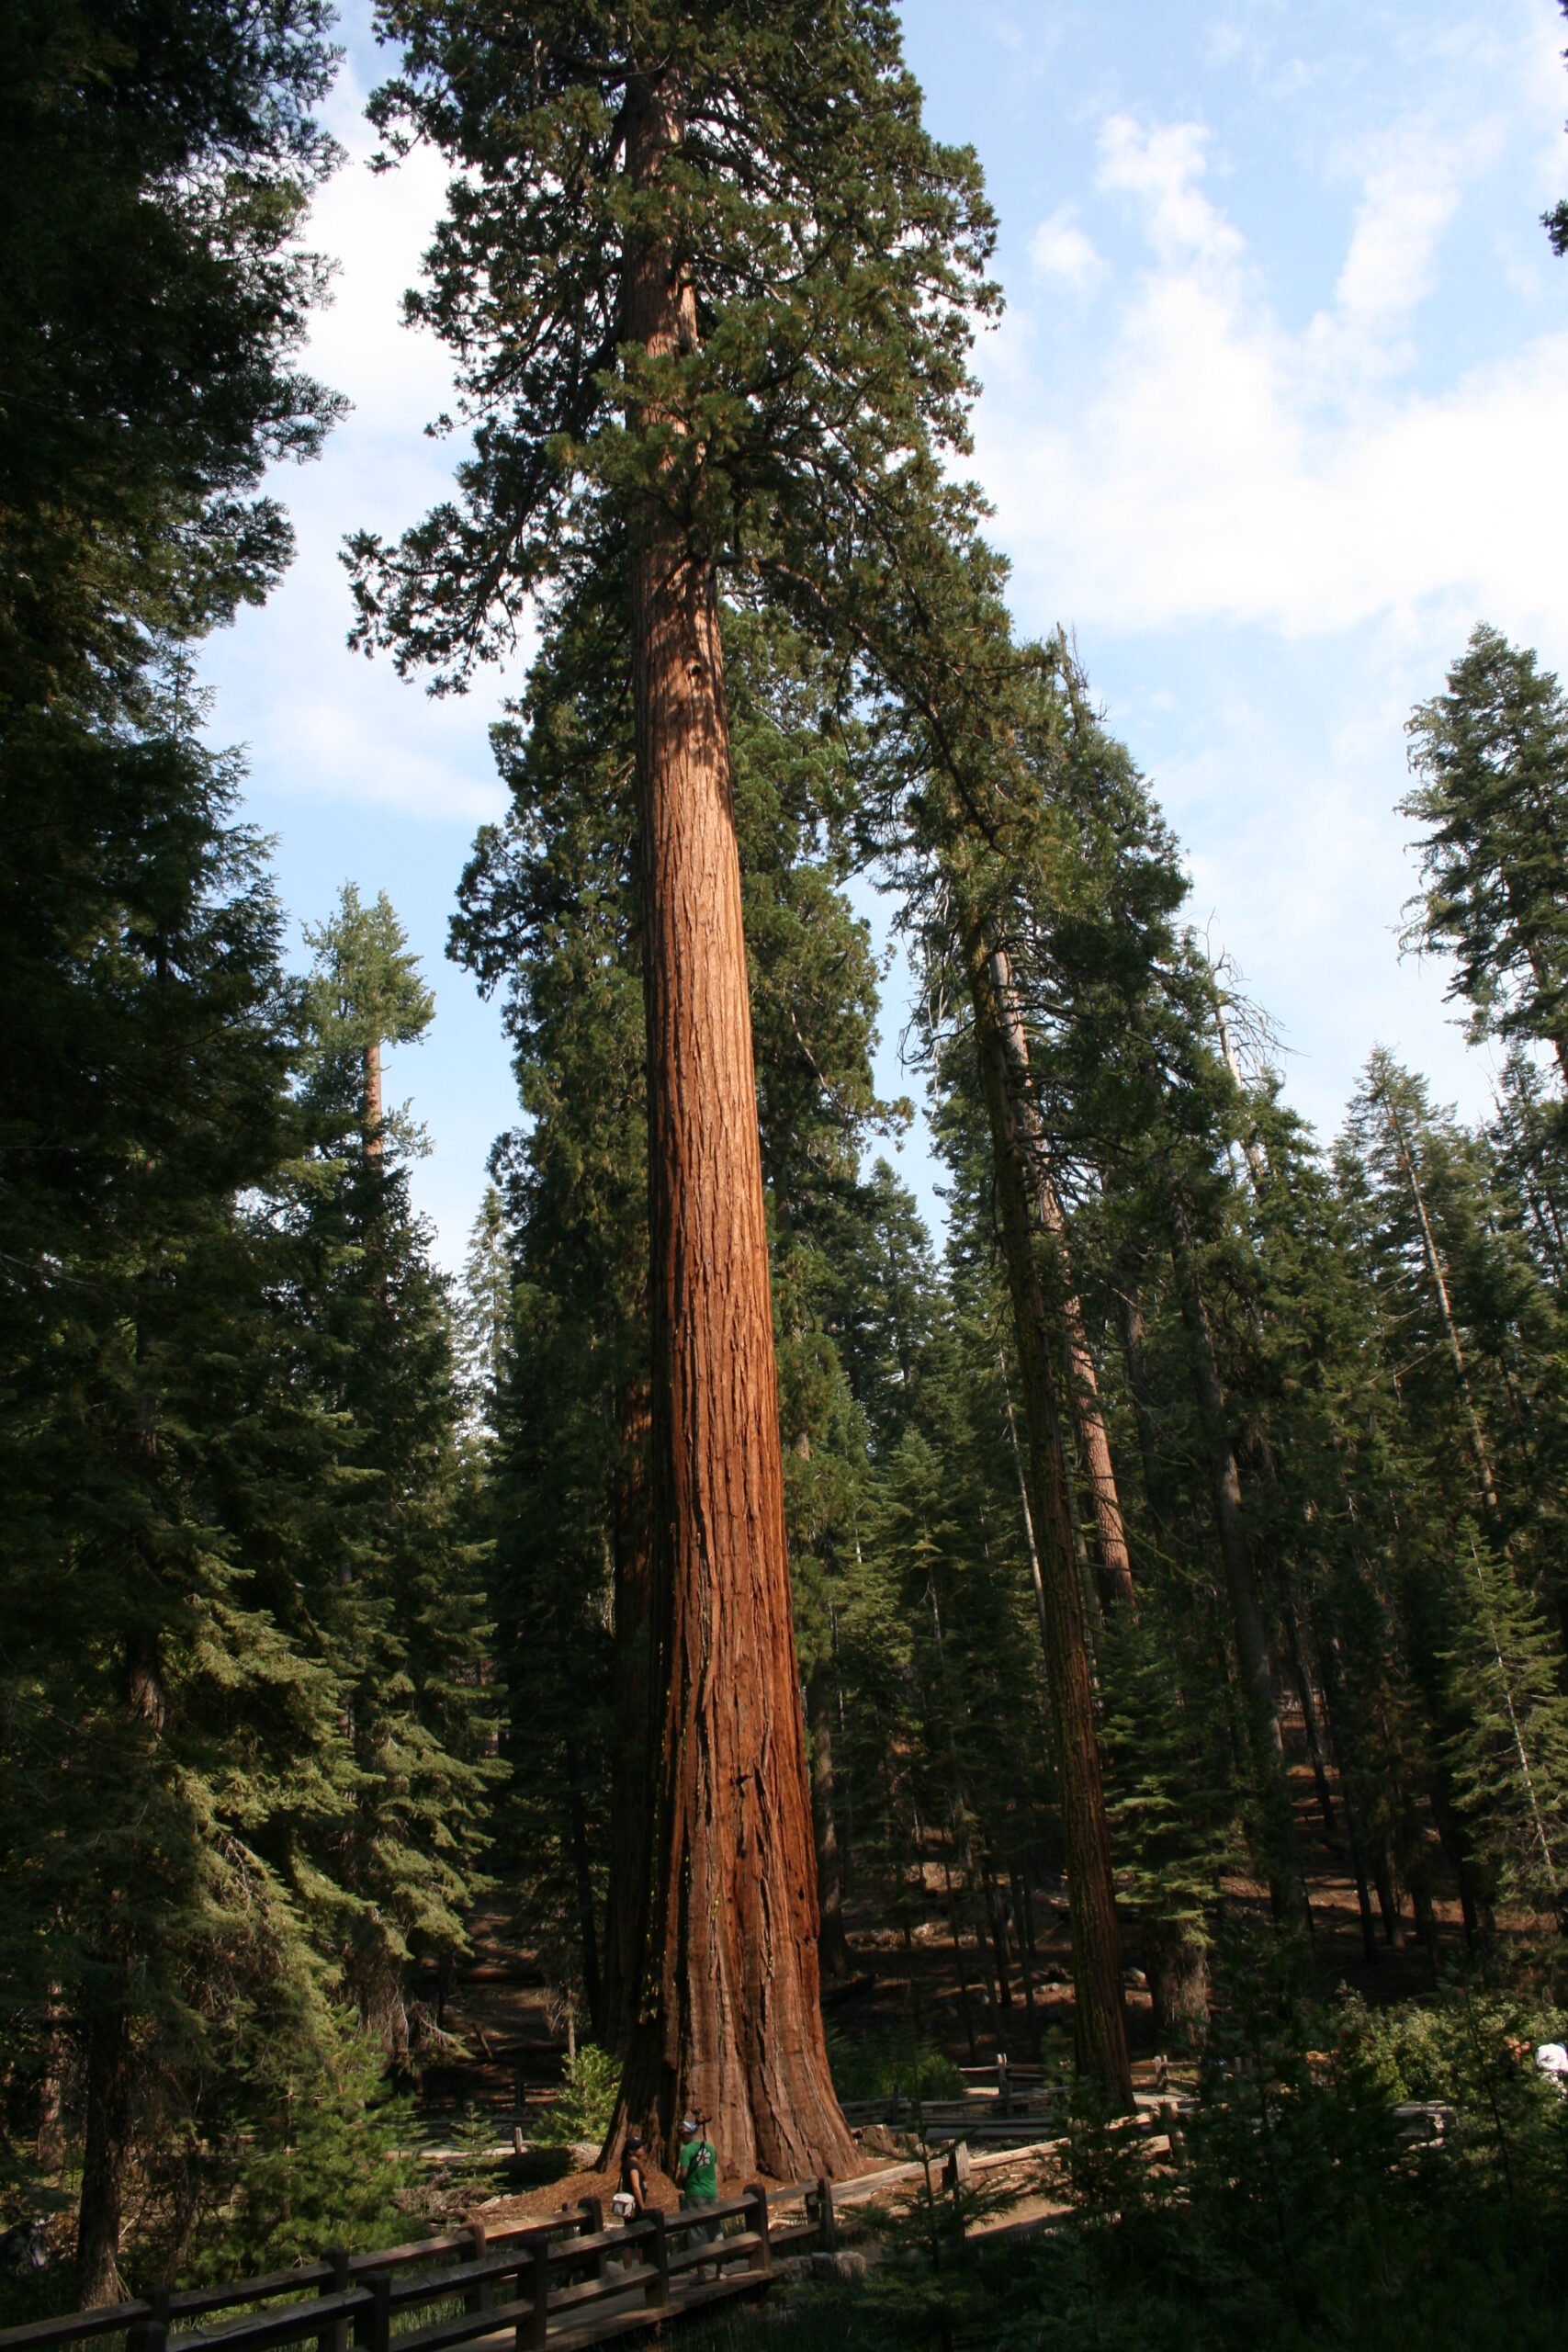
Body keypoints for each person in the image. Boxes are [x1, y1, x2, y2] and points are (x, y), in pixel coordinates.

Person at [675, 2114, 720, 2259]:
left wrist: (678, 2182)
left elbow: (684, 2173)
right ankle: (720, 2270)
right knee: (715, 2230)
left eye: (682, 2135)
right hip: (711, 2192)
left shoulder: (687, 2151)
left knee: (696, 2232)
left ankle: (700, 2272)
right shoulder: (710, 2148)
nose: (681, 2139)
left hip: (695, 2193)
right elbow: (713, 2167)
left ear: (687, 2135)